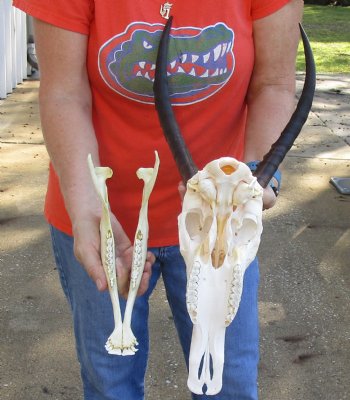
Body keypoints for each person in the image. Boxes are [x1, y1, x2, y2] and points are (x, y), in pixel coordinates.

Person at [13, 0, 304, 399]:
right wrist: (87, 210)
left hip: (219, 221)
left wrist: (255, 180)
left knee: (229, 382)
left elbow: (273, 84)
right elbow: (64, 93)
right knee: (110, 383)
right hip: (102, 216)